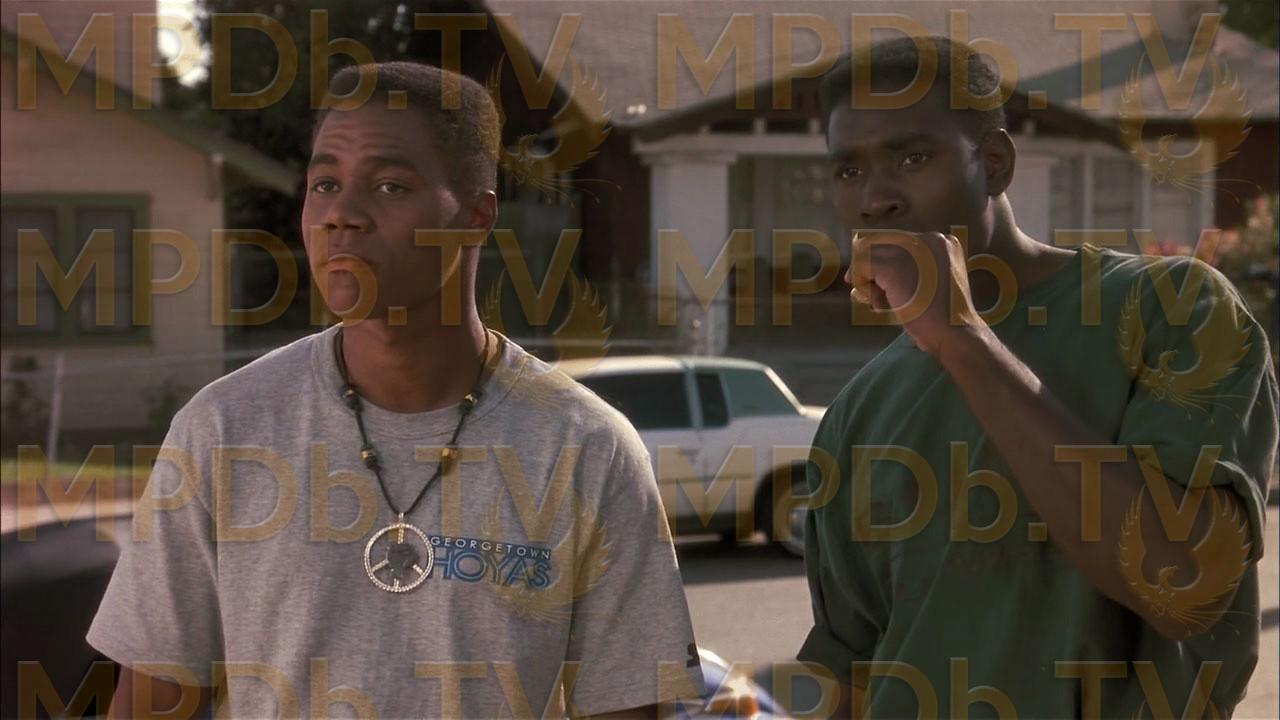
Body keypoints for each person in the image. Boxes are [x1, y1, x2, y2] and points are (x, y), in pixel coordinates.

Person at [87, 61, 704, 719]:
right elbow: (148, 705)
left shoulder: (588, 450)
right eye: (325, 184)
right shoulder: (223, 430)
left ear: (475, 216)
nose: (341, 216)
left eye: (389, 185)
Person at [799, 35, 1277, 718]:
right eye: (848, 170)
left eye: (913, 157)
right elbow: (849, 670)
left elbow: (1185, 585)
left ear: (994, 163)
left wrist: (963, 339)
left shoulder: (1173, 310)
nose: (875, 199)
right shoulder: (857, 412)